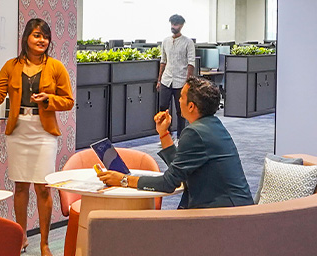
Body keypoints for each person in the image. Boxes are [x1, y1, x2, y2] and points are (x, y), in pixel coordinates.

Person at [0, 18, 74, 256]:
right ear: (26, 38)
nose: (42, 40)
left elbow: (68, 101)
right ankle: (21, 237)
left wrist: (48, 100)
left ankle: (44, 244)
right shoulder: (11, 66)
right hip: (19, 130)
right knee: (21, 187)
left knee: (43, 187)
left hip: (43, 132)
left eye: (45, 36)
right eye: (37, 35)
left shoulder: (55, 67)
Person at [96, 76, 253, 208]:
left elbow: (168, 183)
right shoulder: (213, 125)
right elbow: (179, 170)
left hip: (224, 216)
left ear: (191, 106)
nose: (178, 99)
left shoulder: (194, 133)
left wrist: (124, 180)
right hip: (234, 211)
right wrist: (164, 133)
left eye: (182, 97)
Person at [155, 14, 196, 136]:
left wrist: (188, 82)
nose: (173, 26)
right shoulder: (166, 41)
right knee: (163, 108)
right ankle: (165, 134)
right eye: (172, 24)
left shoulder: (188, 42)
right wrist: (159, 80)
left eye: (176, 24)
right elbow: (163, 61)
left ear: (181, 26)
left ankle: (180, 136)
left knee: (180, 110)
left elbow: (191, 63)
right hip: (166, 79)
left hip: (181, 80)